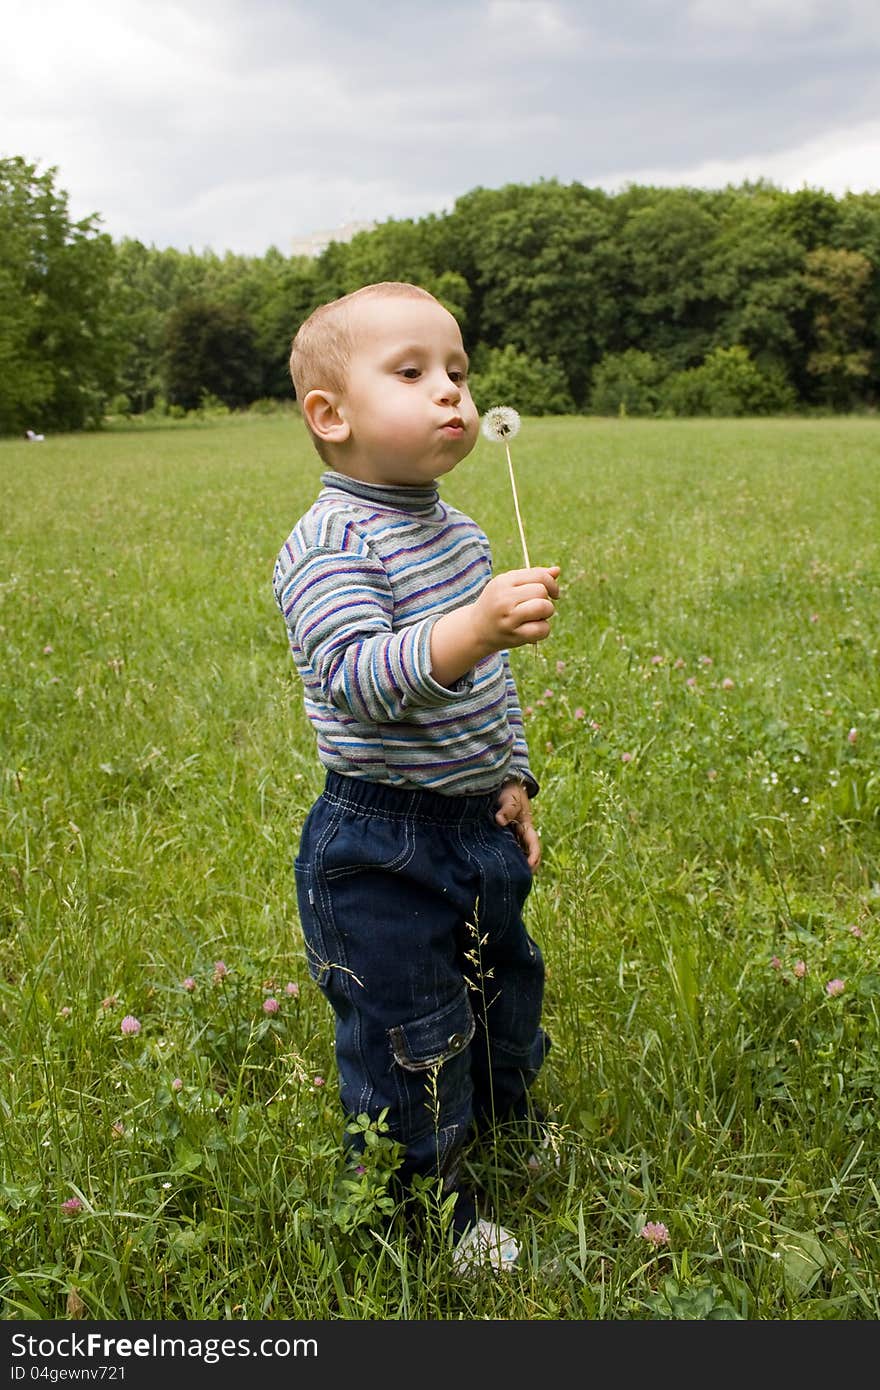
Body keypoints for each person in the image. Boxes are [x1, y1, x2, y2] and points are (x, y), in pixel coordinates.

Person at [272, 281, 561, 1271]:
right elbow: (356, 680)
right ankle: (421, 1208)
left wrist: (512, 774)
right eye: (412, 373)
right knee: (411, 1028)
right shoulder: (326, 546)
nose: (450, 394)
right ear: (331, 415)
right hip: (380, 839)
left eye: (458, 373)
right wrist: (473, 623)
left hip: (474, 821)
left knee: (499, 987)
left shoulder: (465, 534)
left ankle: (504, 1123)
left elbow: (487, 683)